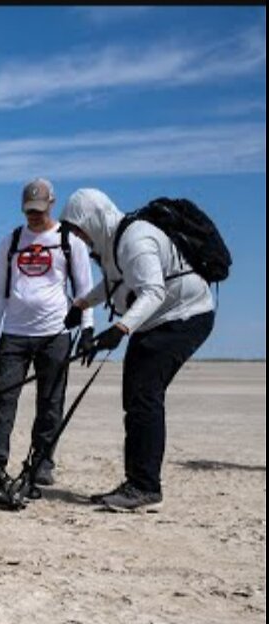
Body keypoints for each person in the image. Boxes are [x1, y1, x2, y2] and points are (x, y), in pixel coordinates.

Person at [60, 188, 216, 512]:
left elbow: (153, 292)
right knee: (135, 396)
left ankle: (145, 487)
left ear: (93, 219)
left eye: (80, 229)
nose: (79, 237)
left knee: (144, 394)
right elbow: (116, 283)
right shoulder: (113, 244)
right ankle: (137, 482)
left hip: (185, 316)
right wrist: (82, 303)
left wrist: (119, 329)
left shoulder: (136, 239)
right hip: (157, 322)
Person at [0, 178, 96, 488]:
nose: (34, 216)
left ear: (52, 204)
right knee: (3, 403)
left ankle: (42, 464)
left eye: (39, 210)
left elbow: (85, 289)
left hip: (55, 334)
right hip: (13, 335)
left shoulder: (70, 241)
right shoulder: (11, 242)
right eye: (29, 211)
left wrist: (87, 328)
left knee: (50, 403)